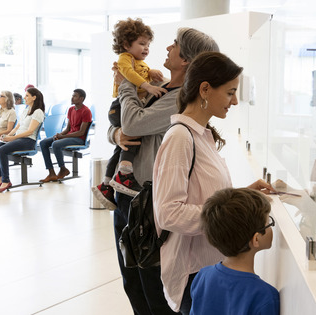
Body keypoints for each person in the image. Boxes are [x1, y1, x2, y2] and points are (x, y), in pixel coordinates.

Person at [103, 27, 220, 314]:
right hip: (125, 195)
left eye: (175, 45)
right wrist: (114, 134)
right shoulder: (158, 87)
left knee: (153, 287)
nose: (167, 47)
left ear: (187, 61)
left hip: (146, 200)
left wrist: (125, 83)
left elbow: (134, 123)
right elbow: (121, 127)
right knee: (132, 282)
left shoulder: (178, 98)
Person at [153, 51, 275, 314]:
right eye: (230, 92)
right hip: (192, 270)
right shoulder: (180, 138)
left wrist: (240, 196)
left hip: (208, 263)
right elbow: (168, 213)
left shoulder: (202, 136)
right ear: (205, 89)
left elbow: (202, 196)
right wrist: (227, 215)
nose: (234, 101)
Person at [99, 18, 167, 197]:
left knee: (123, 143)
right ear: (126, 45)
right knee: (130, 138)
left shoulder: (140, 62)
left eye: (148, 44)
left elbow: (141, 72)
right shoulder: (125, 59)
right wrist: (148, 86)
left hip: (126, 105)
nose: (146, 48)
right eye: (142, 43)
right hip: (119, 105)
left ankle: (107, 182)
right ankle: (125, 172)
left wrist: (151, 72)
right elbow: (128, 74)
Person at [190, 188, 280, 315]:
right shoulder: (265, 296)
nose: (271, 227)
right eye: (268, 223)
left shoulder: (203, 276)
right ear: (256, 239)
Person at [0, 87, 45, 192]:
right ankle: (0, 180)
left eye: (27, 95)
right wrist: (7, 136)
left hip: (28, 141)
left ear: (34, 97)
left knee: (1, 150)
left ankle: (6, 181)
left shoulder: (38, 112)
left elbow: (30, 131)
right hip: (18, 139)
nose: (24, 97)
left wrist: (12, 138)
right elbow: (17, 127)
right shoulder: (26, 110)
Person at [39, 89, 92, 182]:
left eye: (75, 96)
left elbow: (81, 132)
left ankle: (63, 169)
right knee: (43, 143)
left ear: (81, 99)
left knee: (56, 144)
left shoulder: (86, 111)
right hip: (69, 136)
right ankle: (51, 173)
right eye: (72, 95)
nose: (72, 98)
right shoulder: (71, 109)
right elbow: (68, 129)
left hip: (79, 139)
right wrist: (59, 134)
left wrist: (62, 137)